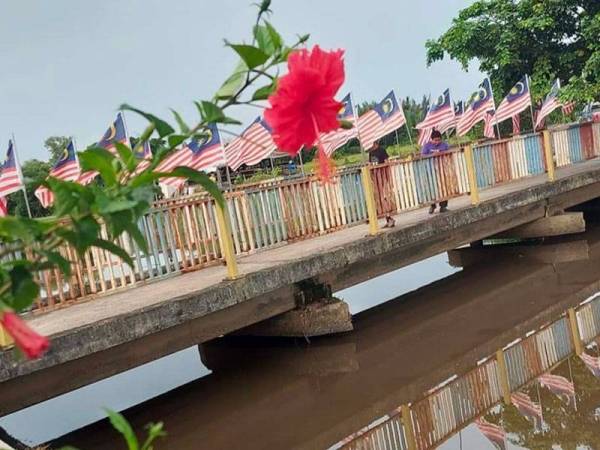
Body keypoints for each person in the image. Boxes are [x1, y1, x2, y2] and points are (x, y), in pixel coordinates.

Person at [421, 130, 450, 214]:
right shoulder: (427, 146)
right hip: (431, 170)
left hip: (442, 168)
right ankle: (432, 205)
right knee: (432, 189)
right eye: (435, 140)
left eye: (438, 140)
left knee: (444, 187)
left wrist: (442, 153)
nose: (437, 142)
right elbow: (422, 155)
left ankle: (443, 206)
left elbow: (449, 152)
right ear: (431, 139)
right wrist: (432, 155)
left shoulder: (444, 145)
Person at [368, 141, 395, 228]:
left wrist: (387, 176)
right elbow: (370, 164)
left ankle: (389, 217)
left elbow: (387, 162)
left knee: (383, 197)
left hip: (382, 176)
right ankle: (388, 218)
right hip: (375, 177)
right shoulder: (371, 153)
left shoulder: (381, 150)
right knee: (379, 198)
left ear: (375, 143)